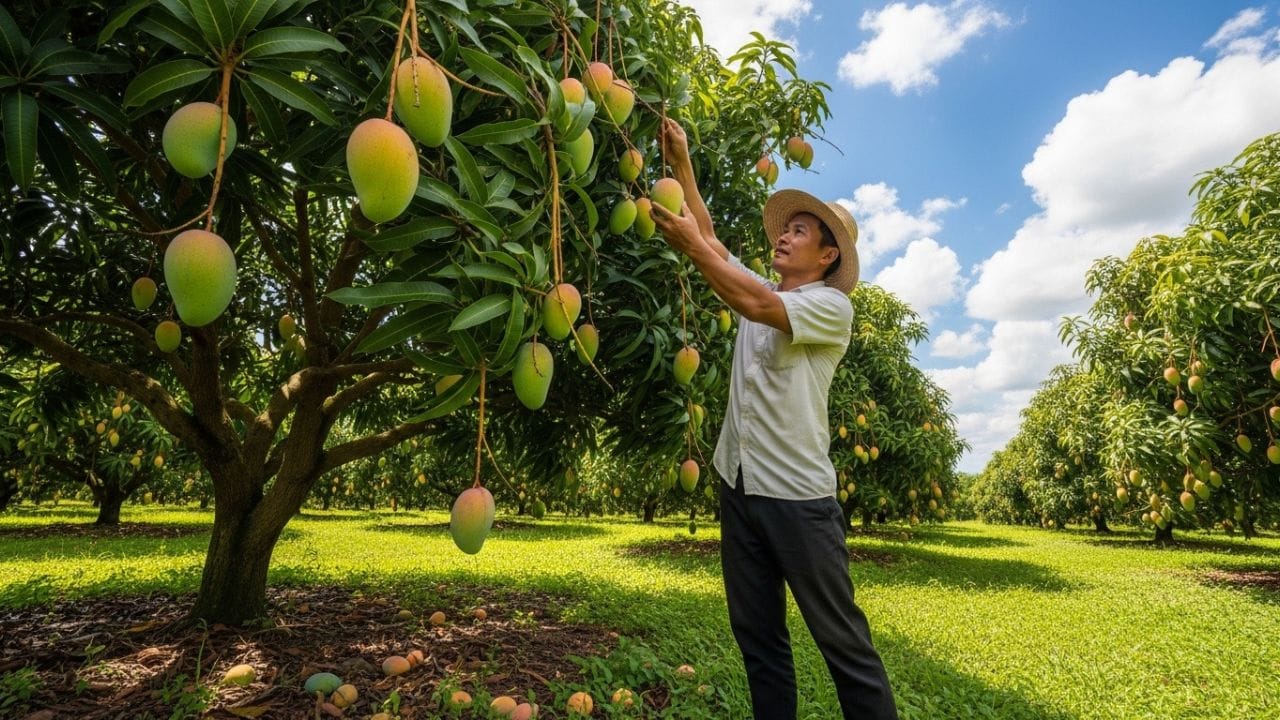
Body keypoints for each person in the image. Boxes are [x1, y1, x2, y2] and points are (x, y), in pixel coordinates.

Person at [650, 118, 898, 720]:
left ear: (828, 253)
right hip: (738, 486)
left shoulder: (829, 307)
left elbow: (750, 298)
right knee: (759, 641)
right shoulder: (766, 287)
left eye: (800, 230)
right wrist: (682, 163)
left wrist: (693, 248)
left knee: (843, 645)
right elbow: (711, 243)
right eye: (784, 228)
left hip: (798, 501)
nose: (784, 237)